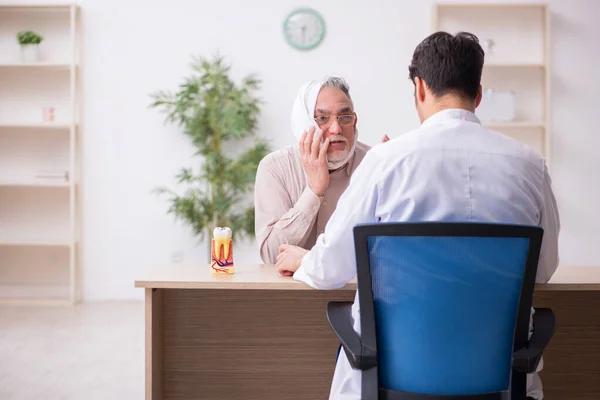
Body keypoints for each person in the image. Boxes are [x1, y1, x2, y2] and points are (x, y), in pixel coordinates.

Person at [277, 31, 560, 400]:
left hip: (390, 378)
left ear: (420, 87)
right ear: (478, 94)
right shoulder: (530, 166)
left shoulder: (385, 161)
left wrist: (305, 260)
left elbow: (330, 270)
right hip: (502, 381)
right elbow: (543, 268)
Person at [254, 77, 388, 264]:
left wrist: (395, 185)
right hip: (291, 291)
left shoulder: (375, 163)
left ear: (354, 122)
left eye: (345, 117)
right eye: (323, 118)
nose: (336, 128)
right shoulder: (275, 168)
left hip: (356, 290)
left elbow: (386, 251)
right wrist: (314, 190)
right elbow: (271, 256)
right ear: (304, 122)